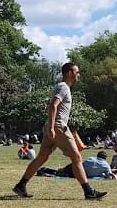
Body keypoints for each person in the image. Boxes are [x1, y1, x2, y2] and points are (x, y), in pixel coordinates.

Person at [12, 63, 107, 200]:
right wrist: (52, 127)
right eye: (76, 72)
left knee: (42, 157)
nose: (78, 74)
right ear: (69, 72)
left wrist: (50, 127)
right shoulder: (63, 87)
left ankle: (21, 185)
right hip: (58, 127)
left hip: (53, 126)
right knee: (76, 157)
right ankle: (88, 192)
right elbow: (53, 106)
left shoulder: (64, 87)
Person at [38, 151, 115, 179]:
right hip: (82, 174)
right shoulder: (106, 165)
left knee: (61, 171)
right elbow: (110, 175)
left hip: (76, 167)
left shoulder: (91, 158)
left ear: (97, 156)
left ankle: (45, 169)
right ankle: (45, 173)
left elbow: (81, 163)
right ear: (105, 158)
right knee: (60, 174)